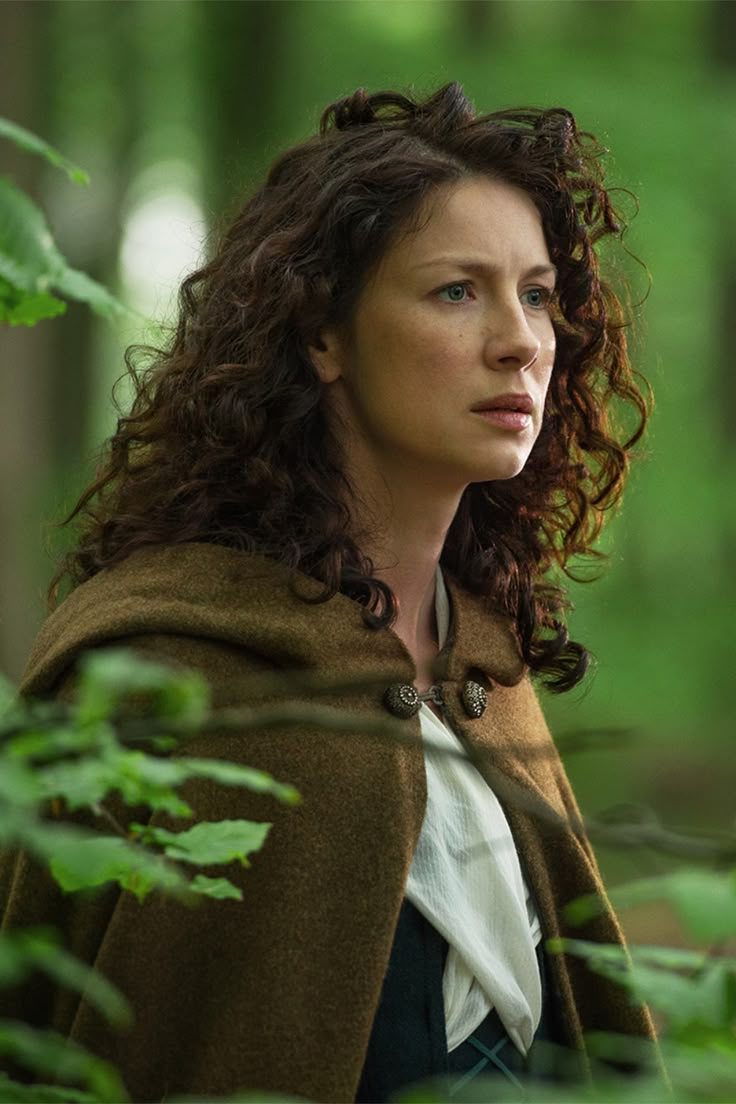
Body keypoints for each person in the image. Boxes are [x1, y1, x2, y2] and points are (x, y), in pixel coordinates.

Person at [1, 83, 658, 1102]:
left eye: (535, 294)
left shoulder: (485, 672)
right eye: (456, 291)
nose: (522, 339)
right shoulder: (176, 670)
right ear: (323, 335)